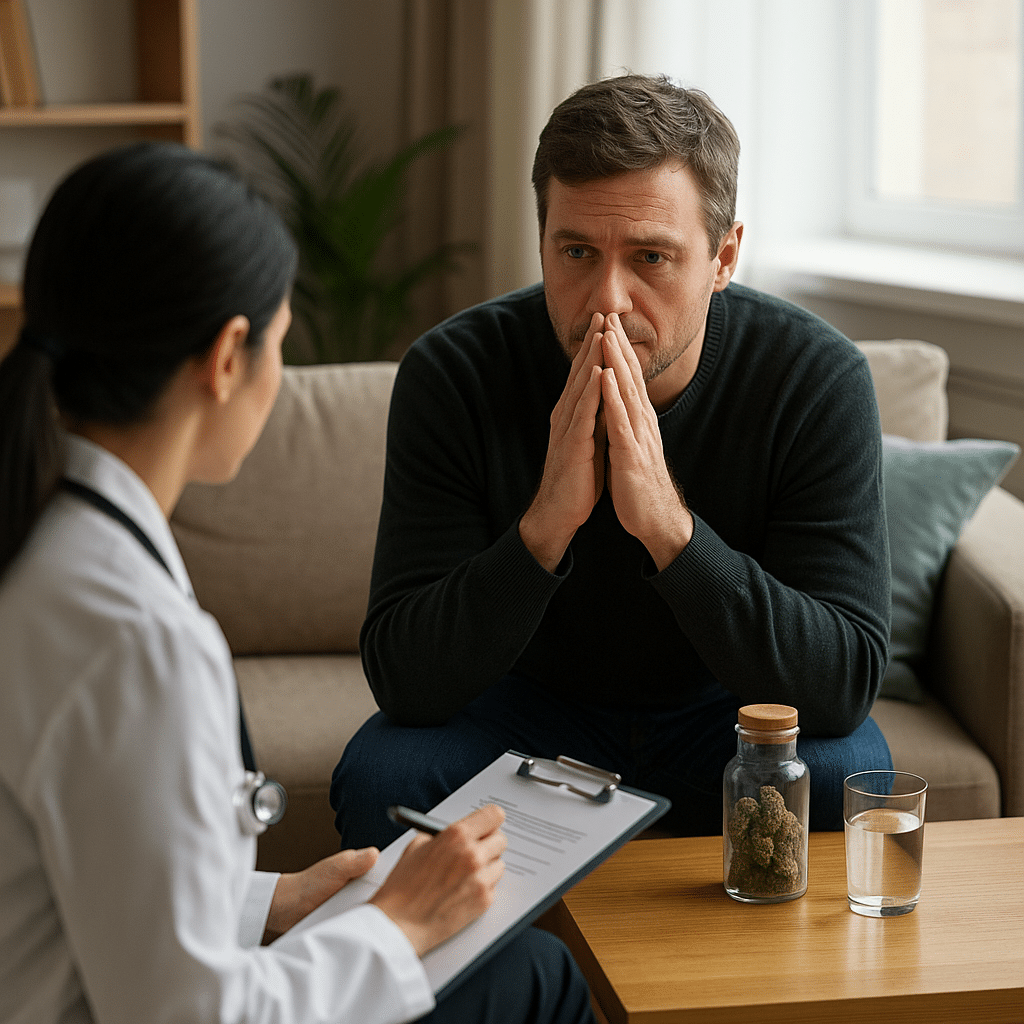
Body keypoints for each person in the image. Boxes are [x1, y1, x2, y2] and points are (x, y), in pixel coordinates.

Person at [0, 142, 595, 1024]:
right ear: (229, 355)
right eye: (281, 341)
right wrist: (399, 923)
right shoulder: (136, 641)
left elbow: (79, 879)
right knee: (536, 978)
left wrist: (266, 903)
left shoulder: (42, 544)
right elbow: (194, 1015)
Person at [331, 74, 893, 851]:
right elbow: (404, 679)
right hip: (524, 714)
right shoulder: (453, 373)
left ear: (724, 256)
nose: (607, 300)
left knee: (842, 771)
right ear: (541, 244)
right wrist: (545, 527)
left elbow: (841, 686)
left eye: (652, 257)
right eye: (577, 251)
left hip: (721, 715)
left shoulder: (814, 378)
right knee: (388, 774)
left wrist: (669, 528)